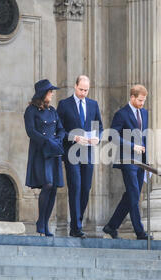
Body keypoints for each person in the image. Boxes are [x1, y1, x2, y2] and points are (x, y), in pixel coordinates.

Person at [102, 84, 152, 240]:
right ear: (132, 97)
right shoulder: (121, 114)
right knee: (134, 194)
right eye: (139, 100)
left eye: (144, 101)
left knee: (131, 195)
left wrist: (147, 160)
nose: (142, 104)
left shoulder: (144, 113)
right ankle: (140, 232)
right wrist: (132, 146)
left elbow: (144, 137)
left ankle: (111, 226)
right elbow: (113, 136)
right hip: (127, 159)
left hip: (140, 161)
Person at [57, 75, 104, 238]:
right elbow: (59, 130)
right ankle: (76, 227)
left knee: (86, 188)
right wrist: (75, 137)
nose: (83, 93)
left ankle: (77, 221)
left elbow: (100, 127)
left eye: (86, 90)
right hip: (72, 153)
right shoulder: (64, 104)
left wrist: (98, 137)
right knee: (75, 187)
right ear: (75, 86)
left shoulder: (93, 104)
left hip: (89, 152)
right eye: (81, 89)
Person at [24, 79, 65, 237]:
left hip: (53, 152)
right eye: (50, 91)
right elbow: (30, 131)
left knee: (54, 187)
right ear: (43, 94)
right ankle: (40, 220)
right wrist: (46, 141)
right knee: (47, 184)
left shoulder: (53, 110)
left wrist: (58, 140)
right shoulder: (31, 111)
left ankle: (45, 223)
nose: (52, 94)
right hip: (41, 153)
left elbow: (60, 129)